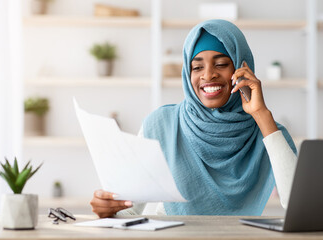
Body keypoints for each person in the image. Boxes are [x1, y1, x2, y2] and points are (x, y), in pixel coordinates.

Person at [90, 19, 297, 217]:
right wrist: (108, 209)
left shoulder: (268, 131)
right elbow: (128, 208)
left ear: (242, 69)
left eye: (222, 64)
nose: (208, 75)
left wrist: (261, 115)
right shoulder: (161, 125)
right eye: (197, 67)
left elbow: (296, 203)